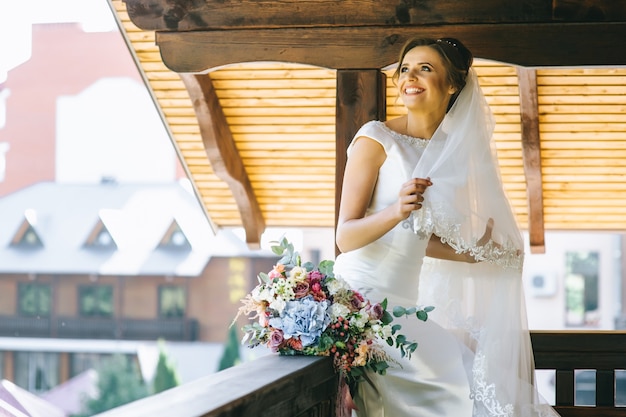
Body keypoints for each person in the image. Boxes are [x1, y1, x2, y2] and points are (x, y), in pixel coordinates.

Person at [333, 37, 559, 417]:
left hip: (404, 309)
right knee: (459, 387)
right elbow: (346, 237)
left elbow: (415, 235)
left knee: (483, 384)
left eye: (425, 68)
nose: (410, 77)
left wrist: (469, 255)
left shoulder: (450, 149)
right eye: (405, 68)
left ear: (453, 84)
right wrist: (396, 211)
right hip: (361, 303)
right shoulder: (376, 139)